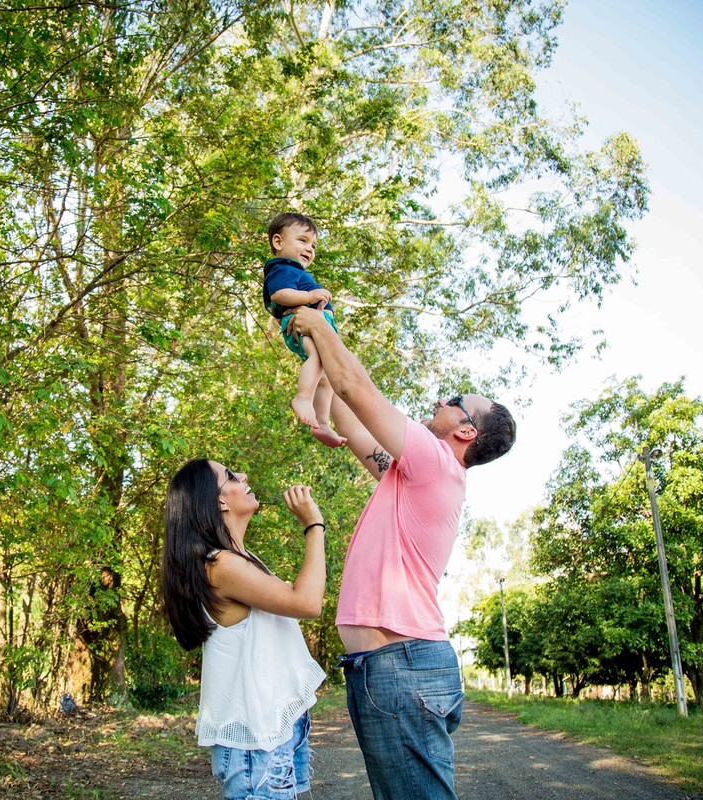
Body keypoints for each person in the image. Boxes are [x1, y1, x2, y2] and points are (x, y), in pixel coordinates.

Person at [287, 305, 517, 800]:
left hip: (401, 665)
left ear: (466, 432)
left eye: (455, 400)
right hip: (397, 666)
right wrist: (320, 361)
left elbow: (357, 389)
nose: (440, 399)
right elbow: (352, 419)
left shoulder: (436, 463)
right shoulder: (411, 473)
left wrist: (317, 323)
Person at [162, 458, 328, 800]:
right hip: (256, 743)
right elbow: (308, 602)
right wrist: (314, 525)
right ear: (219, 500)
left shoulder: (238, 558)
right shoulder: (219, 566)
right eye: (232, 475)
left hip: (277, 727)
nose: (246, 476)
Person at [262, 212, 347, 447]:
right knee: (318, 359)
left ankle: (322, 423)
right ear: (278, 242)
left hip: (315, 327)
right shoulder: (283, 267)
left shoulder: (295, 270)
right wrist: (309, 296)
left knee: (326, 376)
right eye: (302, 240)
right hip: (302, 326)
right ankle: (302, 397)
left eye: (313, 245)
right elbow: (279, 294)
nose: (309, 248)